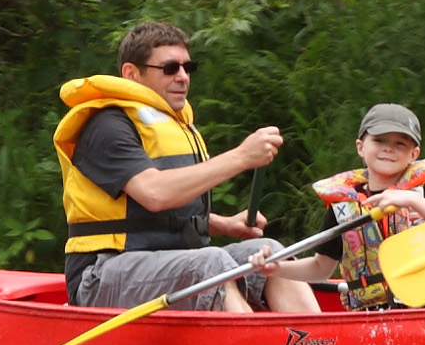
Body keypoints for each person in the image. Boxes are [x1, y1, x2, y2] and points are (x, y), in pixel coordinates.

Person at [52, 21, 321, 315]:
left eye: (187, 67)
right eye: (169, 68)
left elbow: (156, 218)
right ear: (131, 73)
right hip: (100, 276)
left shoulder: (175, 124)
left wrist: (222, 224)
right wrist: (242, 157)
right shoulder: (107, 126)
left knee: (269, 254)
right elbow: (154, 194)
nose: (182, 77)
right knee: (211, 263)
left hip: (167, 264)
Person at [302, 103, 425, 311]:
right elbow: (320, 269)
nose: (388, 148)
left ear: (413, 154)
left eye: (400, 143)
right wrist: (272, 269)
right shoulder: (344, 206)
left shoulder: (423, 195)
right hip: (370, 310)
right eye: (379, 140)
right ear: (360, 147)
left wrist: (411, 200)